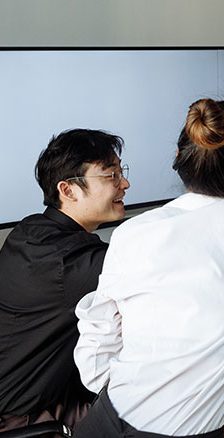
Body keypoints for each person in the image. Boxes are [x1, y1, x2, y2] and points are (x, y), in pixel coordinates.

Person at [71, 0, 224, 438]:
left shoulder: (133, 234)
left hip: (105, 421)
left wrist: (162, 409)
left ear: (179, 158)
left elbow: (98, 343)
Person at [0, 129, 129, 432]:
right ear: (68, 190)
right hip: (24, 416)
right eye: (111, 175)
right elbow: (158, 267)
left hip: (48, 393)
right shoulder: (67, 262)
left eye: (121, 172)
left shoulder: (30, 230)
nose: (124, 184)